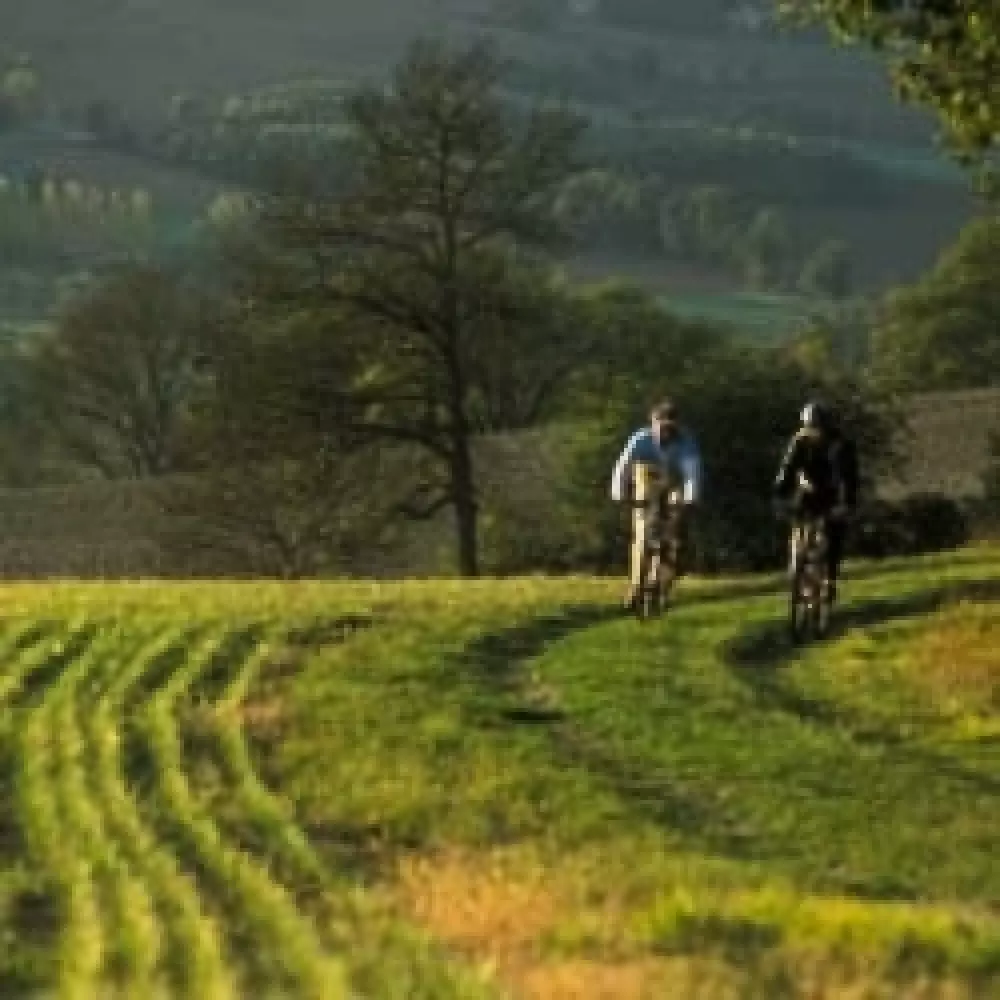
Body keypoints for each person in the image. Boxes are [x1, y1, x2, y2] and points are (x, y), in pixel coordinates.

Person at [610, 399, 702, 610]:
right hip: (647, 481)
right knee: (642, 533)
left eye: (670, 428)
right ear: (652, 424)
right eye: (661, 427)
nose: (665, 433)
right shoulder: (640, 439)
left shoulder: (687, 442)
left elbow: (692, 475)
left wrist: (689, 499)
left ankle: (665, 578)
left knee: (677, 534)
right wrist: (620, 493)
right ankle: (635, 586)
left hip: (674, 482)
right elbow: (623, 466)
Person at [773, 400, 859, 602]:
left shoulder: (840, 445)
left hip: (833, 492)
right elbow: (788, 469)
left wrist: (845, 504)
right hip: (808, 490)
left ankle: (830, 577)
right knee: (799, 521)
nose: (812, 432)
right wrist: (779, 495)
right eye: (809, 428)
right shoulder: (799, 441)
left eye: (817, 428)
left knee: (834, 529)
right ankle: (797, 566)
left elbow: (848, 477)